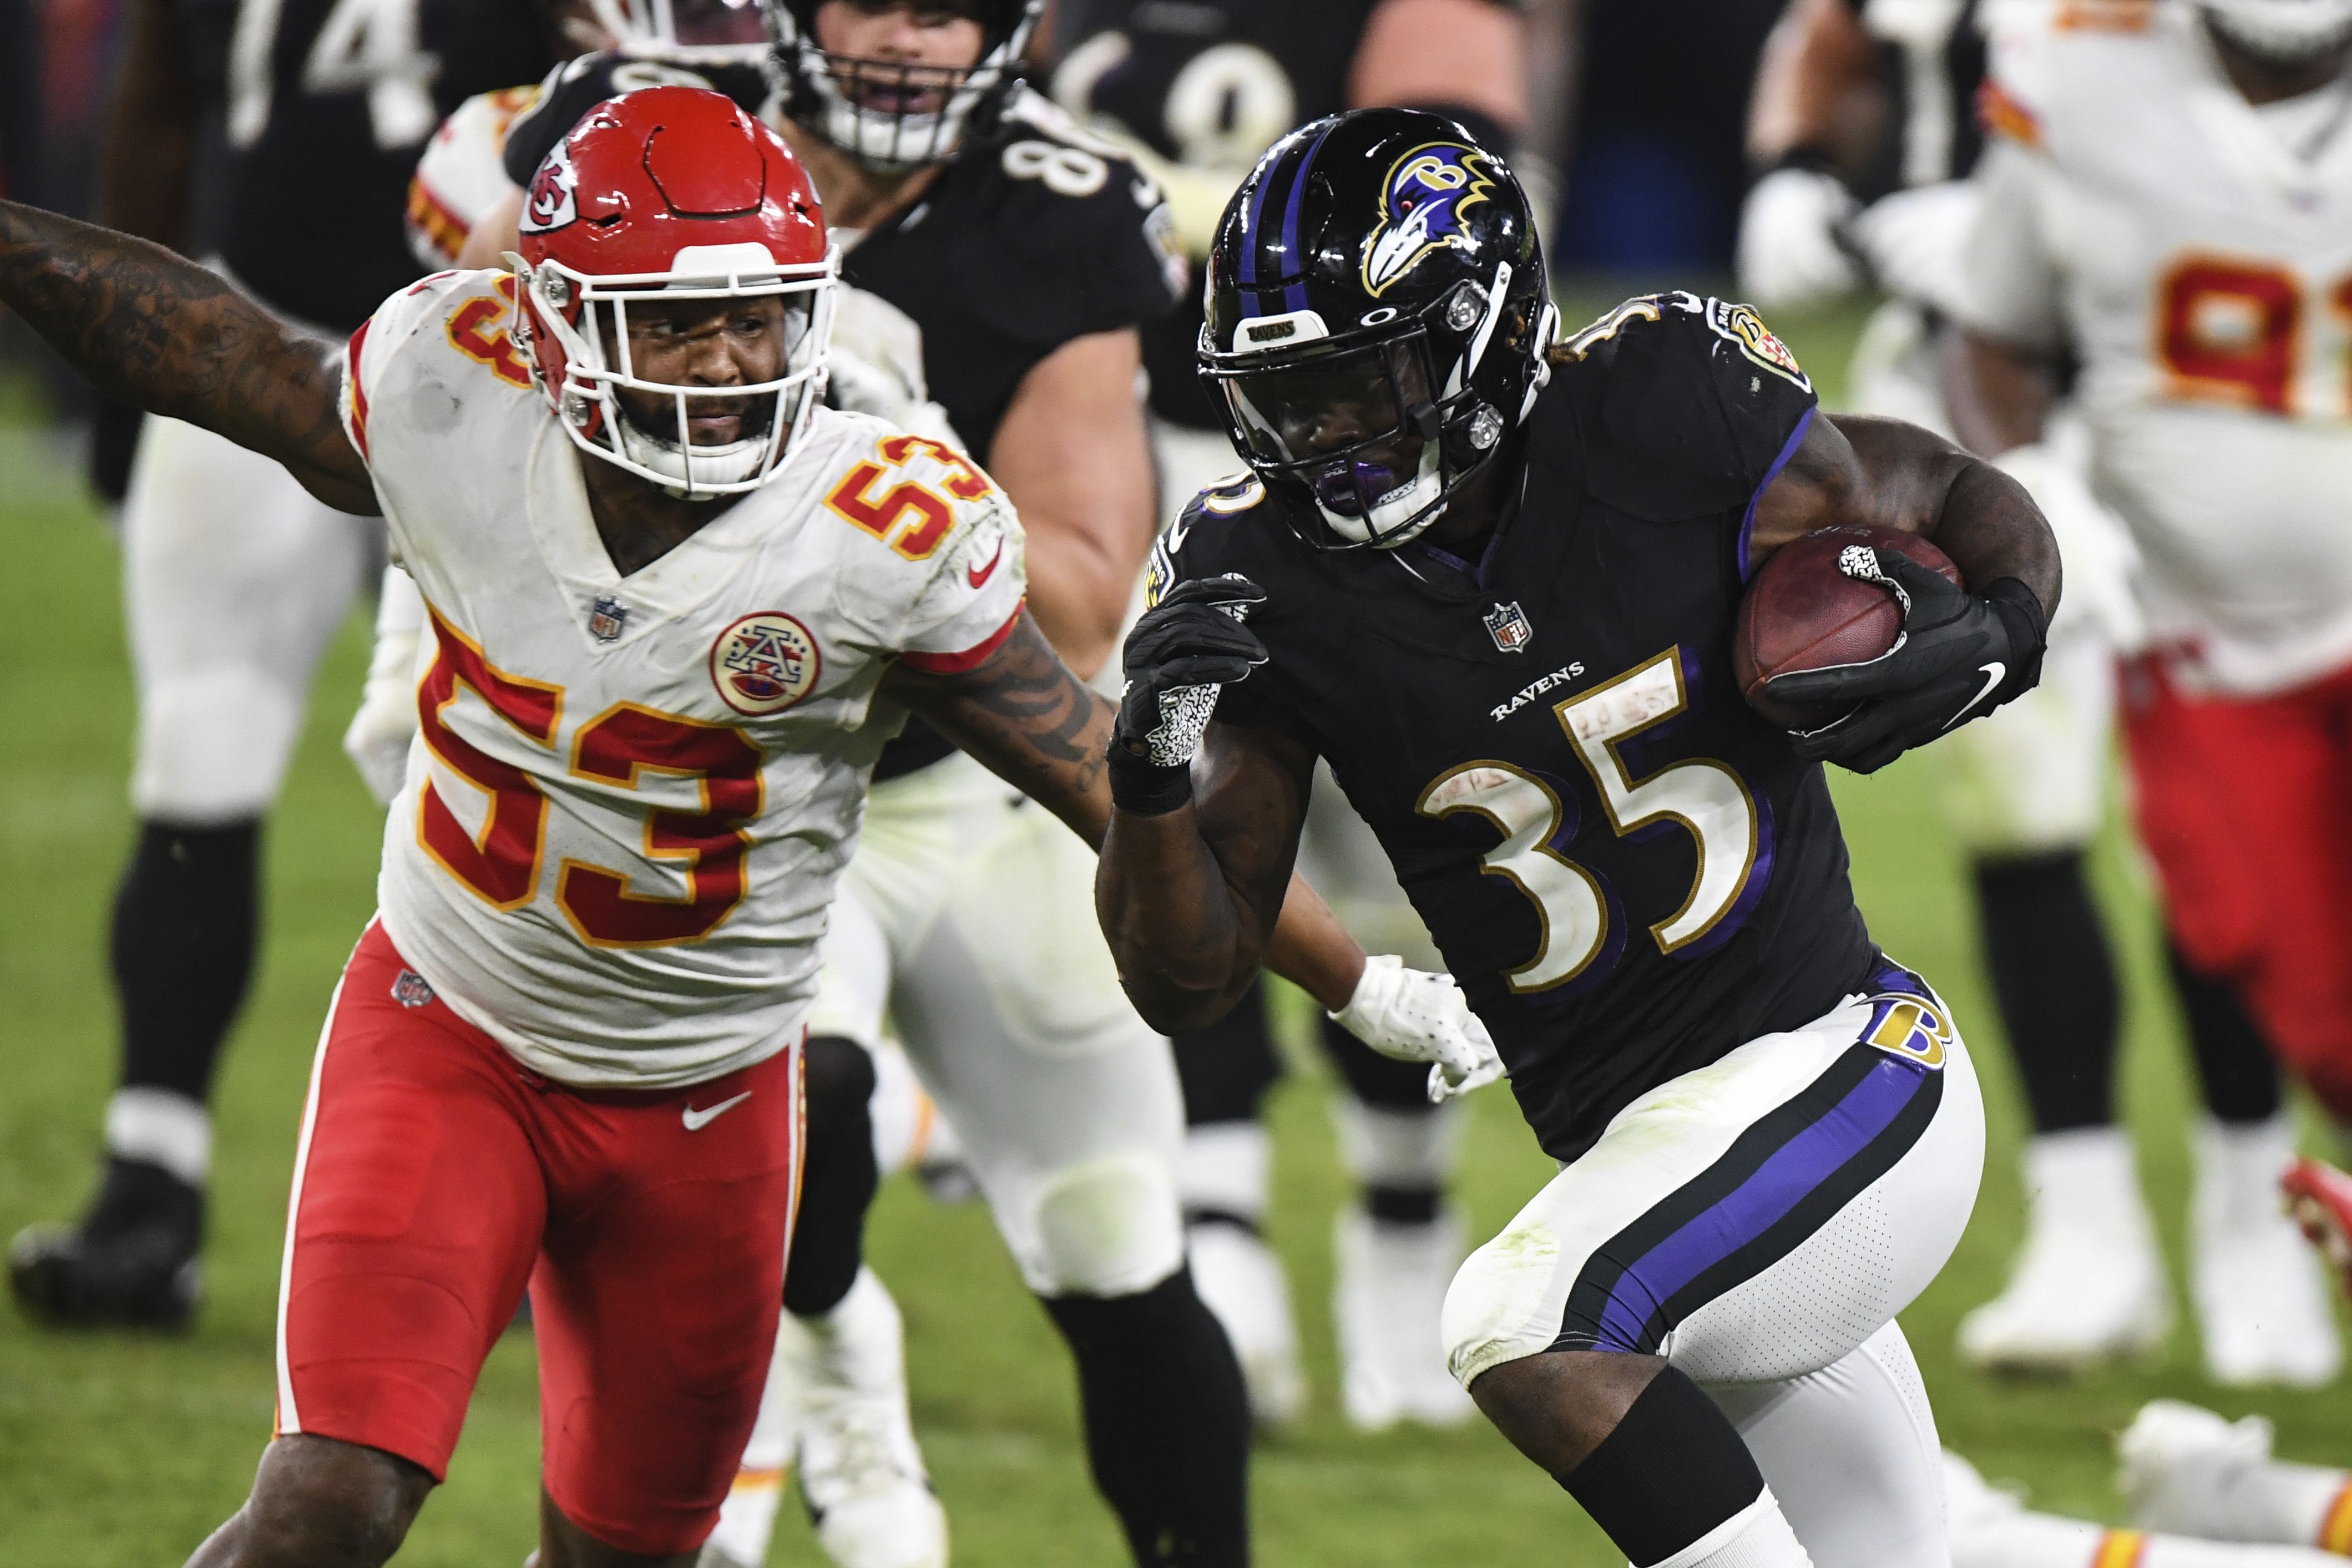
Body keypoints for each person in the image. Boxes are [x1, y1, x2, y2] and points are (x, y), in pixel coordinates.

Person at [0, 86, 1469, 1567]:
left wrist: (1366, 984)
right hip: (454, 1035)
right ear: (558, 328)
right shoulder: (455, 389)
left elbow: (1101, 774)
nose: (720, 362)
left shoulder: (880, 527)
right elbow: (213, 349)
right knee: (329, 1499)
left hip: (709, 1102)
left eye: (756, 321)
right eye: (672, 326)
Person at [1096, 107, 2062, 1568]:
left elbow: (1939, 489)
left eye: (1362, 383)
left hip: (1846, 1073)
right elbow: (1189, 977)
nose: (1325, 437)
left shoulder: (1661, 405)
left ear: (1482, 334)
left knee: (1530, 1321)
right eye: (1288, 398)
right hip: (1673, 1157)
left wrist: (2003, 627)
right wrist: (1152, 775)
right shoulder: (1257, 573)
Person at [1734, 0, 2328, 1384]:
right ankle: (2086, 1218)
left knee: (2226, 836)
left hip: (2213, 410)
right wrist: (1796, 166)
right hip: (1972, 405)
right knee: (2020, 808)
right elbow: (1833, 31)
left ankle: (2255, 1206)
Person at [4, 0, 562, 1331]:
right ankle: (154, 1177)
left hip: (496, 378)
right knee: (200, 754)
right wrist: (133, 385)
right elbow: (160, 101)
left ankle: (561, 1201)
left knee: (541, 784)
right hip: (268, 348)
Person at [1049, 0, 1531, 1432]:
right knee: (1199, 839)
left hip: (1364, 452)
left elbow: (1472, 177)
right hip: (1139, 448)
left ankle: (1403, 1232)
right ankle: (1224, 1226)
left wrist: (1174, 203)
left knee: (1417, 868)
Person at [1948, 0, 2352, 1389]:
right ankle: (2135, 1223)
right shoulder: (2082, 68)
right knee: (2293, 982)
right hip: (2196, 627)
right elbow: (1987, 332)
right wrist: (2037, 486)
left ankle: (2263, 1226)